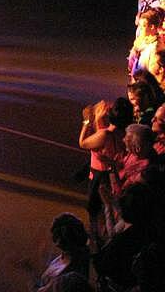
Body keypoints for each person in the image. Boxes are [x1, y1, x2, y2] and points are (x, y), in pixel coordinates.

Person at [78, 98, 132, 250]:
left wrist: (87, 121)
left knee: (96, 210)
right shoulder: (124, 133)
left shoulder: (105, 134)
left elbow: (83, 143)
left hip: (99, 175)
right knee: (108, 207)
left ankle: (98, 241)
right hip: (112, 174)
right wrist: (98, 120)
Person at [32, 213, 90, 292]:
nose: (57, 243)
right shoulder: (61, 258)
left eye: (63, 238)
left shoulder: (77, 267)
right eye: (56, 236)